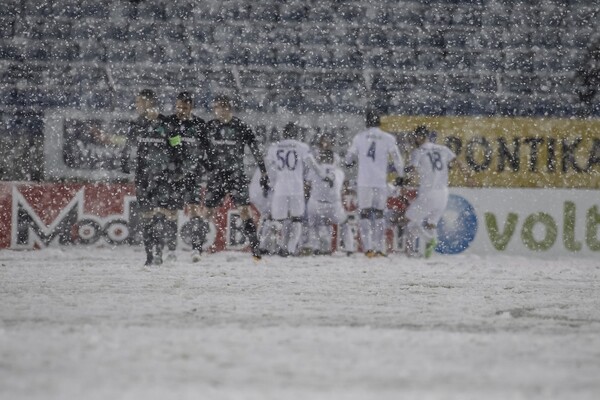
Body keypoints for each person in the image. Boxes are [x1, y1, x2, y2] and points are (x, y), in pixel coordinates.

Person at [201, 95, 269, 261]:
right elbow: (199, 149)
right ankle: (197, 248)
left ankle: (255, 250)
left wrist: (264, 171)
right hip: (216, 176)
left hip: (235, 175)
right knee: (207, 212)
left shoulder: (240, 126)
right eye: (217, 107)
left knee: (244, 210)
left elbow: (255, 149)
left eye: (223, 107)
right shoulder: (210, 126)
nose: (220, 111)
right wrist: (206, 166)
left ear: (228, 108)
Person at [121, 89, 182, 266]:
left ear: (149, 103)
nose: (137, 105)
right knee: (146, 215)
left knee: (162, 213)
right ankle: (149, 255)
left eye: (139, 102)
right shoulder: (137, 123)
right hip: (143, 175)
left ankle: (160, 251)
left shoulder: (167, 123)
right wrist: (124, 162)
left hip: (164, 176)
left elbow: (177, 146)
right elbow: (128, 146)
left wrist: (177, 167)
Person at [344, 109, 404, 257]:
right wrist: (400, 175)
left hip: (364, 181)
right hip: (380, 182)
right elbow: (397, 158)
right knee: (379, 214)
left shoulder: (360, 137)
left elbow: (349, 157)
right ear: (379, 122)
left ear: (366, 122)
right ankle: (379, 248)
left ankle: (368, 249)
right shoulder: (388, 138)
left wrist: (349, 163)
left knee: (364, 214)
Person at [265, 122, 331, 257]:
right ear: (296, 134)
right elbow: (312, 164)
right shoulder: (302, 147)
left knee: (278, 220)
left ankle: (274, 246)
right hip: (296, 188)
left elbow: (266, 166)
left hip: (280, 188)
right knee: (297, 219)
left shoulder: (274, 147)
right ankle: (289, 249)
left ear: (284, 133)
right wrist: (324, 176)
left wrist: (268, 182)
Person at [165, 91, 212, 262]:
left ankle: (196, 249)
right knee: (171, 211)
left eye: (184, 107)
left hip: (193, 174)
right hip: (174, 174)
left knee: (193, 210)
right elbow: (165, 145)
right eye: (178, 107)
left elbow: (208, 149)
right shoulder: (169, 122)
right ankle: (171, 249)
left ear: (191, 107)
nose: (180, 110)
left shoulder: (200, 124)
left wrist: (208, 167)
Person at [404, 125, 463, 258]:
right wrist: (469, 178)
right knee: (431, 223)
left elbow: (412, 171)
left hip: (428, 192)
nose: (414, 139)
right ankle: (428, 254)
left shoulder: (418, 152)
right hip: (443, 193)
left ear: (420, 137)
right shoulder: (443, 149)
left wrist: (408, 180)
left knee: (410, 220)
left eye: (416, 136)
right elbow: (458, 162)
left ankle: (416, 248)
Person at [306, 142, 355, 255]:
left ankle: (316, 247)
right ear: (333, 159)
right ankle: (349, 248)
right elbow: (341, 187)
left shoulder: (313, 170)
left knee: (313, 225)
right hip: (333, 206)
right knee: (344, 224)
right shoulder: (339, 172)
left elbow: (307, 186)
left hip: (316, 204)